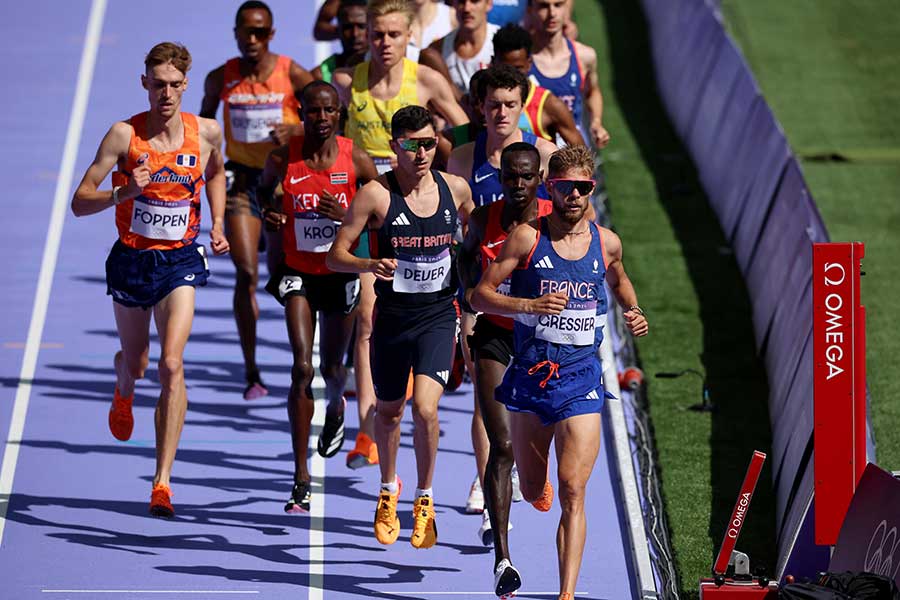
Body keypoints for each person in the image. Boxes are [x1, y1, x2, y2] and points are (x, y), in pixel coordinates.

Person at [471, 145, 648, 599]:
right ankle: (535, 482)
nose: (573, 196)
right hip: (532, 378)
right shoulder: (527, 239)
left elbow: (619, 277)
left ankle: (566, 594)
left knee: (573, 490)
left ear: (591, 189)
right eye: (565, 187)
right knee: (533, 489)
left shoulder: (606, 242)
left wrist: (632, 308)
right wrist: (527, 305)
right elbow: (480, 296)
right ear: (551, 188)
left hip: (581, 379)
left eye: (582, 188)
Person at [71, 42, 230, 518]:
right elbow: (80, 201)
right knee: (139, 364)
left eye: (174, 85)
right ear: (144, 83)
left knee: (172, 364)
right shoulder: (124, 136)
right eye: (157, 84)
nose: (165, 93)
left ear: (185, 86)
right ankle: (124, 385)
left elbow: (217, 173)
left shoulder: (206, 133)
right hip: (132, 260)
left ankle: (162, 482)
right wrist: (125, 190)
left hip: (180, 259)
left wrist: (218, 222)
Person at [327, 105, 474, 549]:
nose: (422, 153)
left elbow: (476, 238)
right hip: (392, 319)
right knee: (389, 412)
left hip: (436, 317)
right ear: (395, 148)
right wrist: (371, 263)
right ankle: (388, 490)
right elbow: (336, 256)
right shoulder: (375, 194)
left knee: (426, 409)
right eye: (411, 145)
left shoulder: (455, 189)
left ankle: (424, 500)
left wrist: (474, 293)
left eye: (429, 143)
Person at [331, 0, 469, 470]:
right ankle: (369, 429)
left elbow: (465, 127)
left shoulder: (425, 80)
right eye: (377, 34)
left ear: (408, 35)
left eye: (393, 34)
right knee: (367, 318)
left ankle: (403, 395)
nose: (384, 43)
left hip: (422, 205)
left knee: (403, 305)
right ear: (365, 34)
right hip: (369, 209)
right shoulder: (348, 81)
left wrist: (463, 166)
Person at [258, 81, 379, 512]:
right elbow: (262, 192)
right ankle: (300, 476)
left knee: (332, 366)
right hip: (298, 273)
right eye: (313, 111)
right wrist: (269, 214)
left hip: (338, 271)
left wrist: (348, 216)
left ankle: (336, 408)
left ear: (339, 113)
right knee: (301, 367)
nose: (321, 118)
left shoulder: (355, 159)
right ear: (301, 112)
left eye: (329, 111)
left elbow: (385, 211)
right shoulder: (282, 157)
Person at [447, 63, 555, 512]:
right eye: (494, 105)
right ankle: (485, 477)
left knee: (536, 397)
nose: (502, 113)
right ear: (480, 107)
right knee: (486, 392)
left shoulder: (544, 154)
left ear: (523, 105)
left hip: (535, 295)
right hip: (483, 293)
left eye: (512, 104)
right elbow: (459, 232)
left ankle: (532, 469)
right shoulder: (461, 157)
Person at [200, 0, 313, 400]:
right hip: (242, 183)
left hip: (283, 186)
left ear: (271, 34)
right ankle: (252, 371)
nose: (252, 39)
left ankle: (302, 359)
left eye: (260, 32)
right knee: (247, 273)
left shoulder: (291, 72)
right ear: (234, 33)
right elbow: (204, 129)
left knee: (286, 277)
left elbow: (328, 111)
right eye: (245, 32)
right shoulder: (221, 78)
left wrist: (297, 130)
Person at [458, 141, 554, 596]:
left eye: (526, 177)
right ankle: (503, 559)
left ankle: (534, 479)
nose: (517, 184)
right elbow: (463, 266)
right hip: (494, 336)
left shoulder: (557, 222)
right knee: (501, 444)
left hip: (541, 341)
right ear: (500, 178)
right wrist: (466, 314)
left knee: (533, 440)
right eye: (510, 176)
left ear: (539, 179)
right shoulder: (482, 220)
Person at [527, 0, 609, 148]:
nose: (552, 13)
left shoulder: (585, 56)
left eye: (558, 5)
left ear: (567, 8)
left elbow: (592, 91)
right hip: (533, 152)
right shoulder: (520, 60)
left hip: (573, 149)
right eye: (544, 6)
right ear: (530, 10)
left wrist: (596, 122)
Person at [491, 24, 583, 147]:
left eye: (518, 69)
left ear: (529, 64)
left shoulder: (549, 105)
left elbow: (583, 158)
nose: (511, 76)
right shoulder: (481, 101)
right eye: (505, 68)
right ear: (492, 62)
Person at [430, 0, 499, 95]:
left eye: (474, 1)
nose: (467, 8)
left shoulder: (506, 42)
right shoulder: (437, 48)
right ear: (453, 4)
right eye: (461, 1)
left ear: (488, 4)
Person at [312, 0, 368, 83]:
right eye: (347, 27)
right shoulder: (320, 75)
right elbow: (319, 31)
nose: (355, 34)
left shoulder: (388, 68)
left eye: (361, 26)